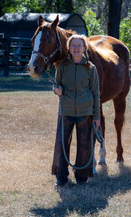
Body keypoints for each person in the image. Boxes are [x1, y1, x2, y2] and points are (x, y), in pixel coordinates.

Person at [52, 34, 100, 186]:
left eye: (79, 46)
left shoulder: (91, 69)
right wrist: (56, 90)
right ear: (69, 48)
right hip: (65, 112)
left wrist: (97, 116)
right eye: (73, 46)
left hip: (85, 113)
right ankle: (61, 176)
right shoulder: (62, 67)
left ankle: (81, 177)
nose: (76, 48)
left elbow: (96, 94)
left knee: (84, 146)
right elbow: (56, 85)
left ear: (85, 48)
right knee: (61, 144)